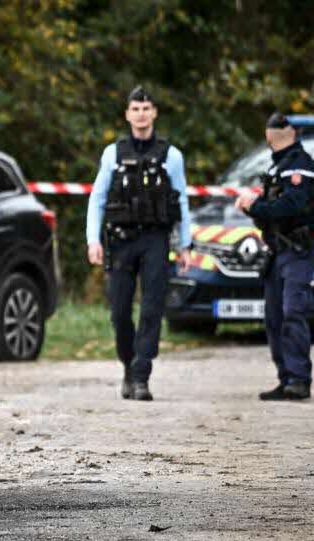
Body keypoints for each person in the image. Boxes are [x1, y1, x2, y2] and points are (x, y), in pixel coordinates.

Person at [86, 85, 192, 401]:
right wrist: (93, 239)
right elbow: (98, 199)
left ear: (154, 113)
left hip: (155, 239)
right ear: (127, 114)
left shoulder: (171, 156)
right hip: (120, 240)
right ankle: (128, 366)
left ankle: (142, 373)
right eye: (135, 109)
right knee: (119, 311)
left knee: (151, 307)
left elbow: (181, 200)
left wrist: (185, 244)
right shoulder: (113, 154)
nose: (141, 114)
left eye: (146, 109)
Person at [235, 113, 314, 401]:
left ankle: (299, 379)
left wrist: (256, 205)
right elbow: (271, 213)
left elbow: (291, 206)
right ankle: (286, 379)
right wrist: (251, 208)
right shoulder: (276, 168)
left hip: (297, 250)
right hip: (277, 251)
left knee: (292, 312)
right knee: (274, 317)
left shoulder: (301, 165)